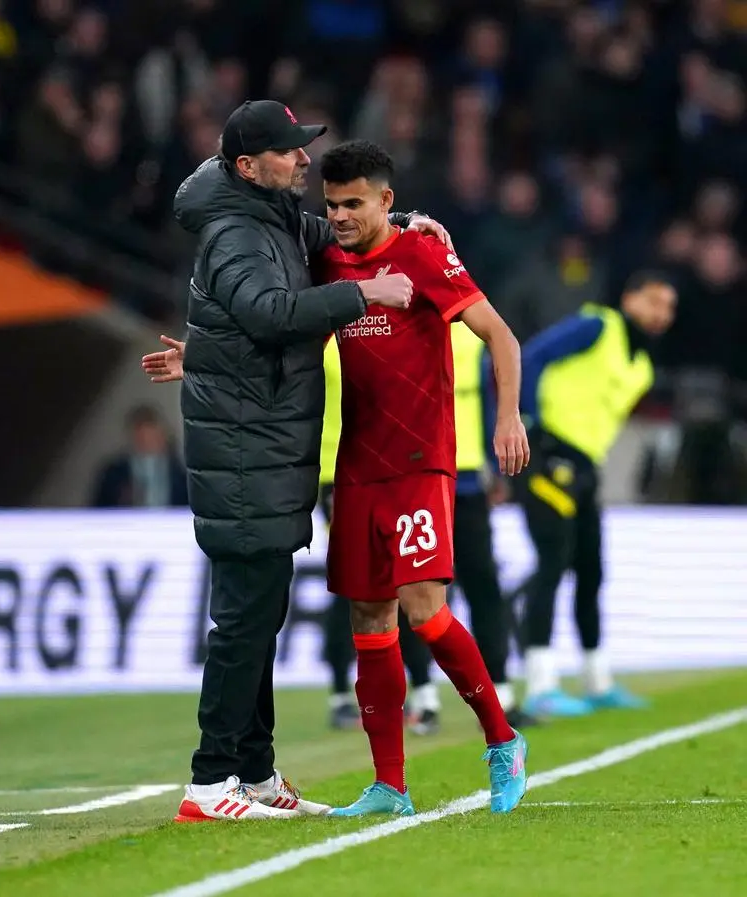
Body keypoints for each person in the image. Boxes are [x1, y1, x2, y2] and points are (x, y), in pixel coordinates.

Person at [153, 100, 451, 823]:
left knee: (261, 615)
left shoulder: (268, 214)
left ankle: (253, 772)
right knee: (244, 621)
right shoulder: (233, 231)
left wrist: (399, 224)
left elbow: (329, 232)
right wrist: (363, 293)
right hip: (245, 450)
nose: (304, 161)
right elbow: (268, 313)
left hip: (264, 446)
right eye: (289, 152)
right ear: (248, 166)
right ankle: (209, 780)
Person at [311, 139, 530, 817]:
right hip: (356, 466)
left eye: (353, 203)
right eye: (331, 204)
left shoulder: (424, 252)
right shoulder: (327, 258)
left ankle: (502, 740)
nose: (341, 216)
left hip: (420, 460)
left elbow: (501, 335)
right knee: (369, 619)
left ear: (385, 199)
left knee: (423, 608)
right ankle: (390, 784)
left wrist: (508, 419)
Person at [322, 325, 536, 734]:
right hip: (357, 474)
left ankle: (500, 692)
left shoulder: (472, 336)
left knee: (479, 583)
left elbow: (486, 401)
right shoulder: (349, 329)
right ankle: (413, 694)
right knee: (373, 589)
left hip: (462, 475)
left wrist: (496, 459)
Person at [508, 271, 677, 718]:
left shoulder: (641, 364)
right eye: (655, 301)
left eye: (669, 307)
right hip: (547, 453)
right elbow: (534, 354)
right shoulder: (598, 326)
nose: (662, 314)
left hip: (584, 466)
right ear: (630, 297)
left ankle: (596, 679)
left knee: (590, 568)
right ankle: (542, 684)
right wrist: (526, 421)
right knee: (553, 563)